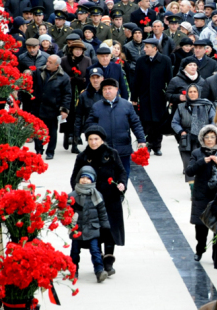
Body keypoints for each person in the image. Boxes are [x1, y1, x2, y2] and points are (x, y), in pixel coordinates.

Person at [70, 125, 127, 277]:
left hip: (110, 198)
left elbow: (121, 172)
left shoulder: (112, 154)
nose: (93, 142)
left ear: (102, 140)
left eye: (96, 139)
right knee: (96, 231)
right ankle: (99, 260)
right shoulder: (82, 157)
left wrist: (122, 184)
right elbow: (74, 178)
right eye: (90, 139)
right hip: (91, 201)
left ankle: (108, 261)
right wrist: (80, 194)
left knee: (110, 229)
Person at [85, 78, 147, 175]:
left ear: (116, 89)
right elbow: (89, 125)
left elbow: (135, 124)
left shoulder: (126, 105)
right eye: (104, 89)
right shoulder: (96, 107)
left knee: (123, 174)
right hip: (104, 149)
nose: (107, 91)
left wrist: (141, 140)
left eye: (110, 88)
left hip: (123, 148)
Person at [187, 125, 217, 262]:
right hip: (201, 194)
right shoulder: (197, 153)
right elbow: (189, 171)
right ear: (202, 138)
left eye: (212, 137)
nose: (210, 140)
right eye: (207, 137)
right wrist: (202, 162)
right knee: (201, 227)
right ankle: (200, 248)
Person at [69, 165, 111, 282]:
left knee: (95, 250)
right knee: (75, 251)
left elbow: (102, 212)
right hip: (77, 228)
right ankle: (73, 271)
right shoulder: (72, 196)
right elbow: (66, 211)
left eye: (88, 178)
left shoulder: (97, 195)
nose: (85, 180)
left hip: (93, 228)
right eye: (83, 177)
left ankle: (99, 271)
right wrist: (68, 221)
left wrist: (105, 225)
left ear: (92, 180)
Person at [132, 38, 172, 156]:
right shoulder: (141, 61)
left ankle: (157, 146)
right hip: (144, 96)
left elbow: (170, 80)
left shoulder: (165, 60)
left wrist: (169, 97)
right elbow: (136, 81)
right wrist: (134, 98)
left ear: (155, 48)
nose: (144, 49)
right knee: (146, 122)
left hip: (159, 97)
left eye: (147, 47)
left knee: (158, 122)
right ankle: (147, 145)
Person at [28, 54, 71, 159]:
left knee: (52, 131)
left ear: (57, 65)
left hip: (53, 108)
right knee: (38, 130)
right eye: (47, 61)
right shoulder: (39, 72)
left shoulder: (63, 77)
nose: (47, 64)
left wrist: (64, 110)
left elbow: (67, 95)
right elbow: (30, 83)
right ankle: (38, 150)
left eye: (50, 63)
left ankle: (50, 151)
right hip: (38, 106)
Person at [172, 83, 216, 178]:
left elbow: (214, 120)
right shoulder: (181, 107)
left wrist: (208, 131)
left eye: (194, 92)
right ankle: (191, 186)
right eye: (190, 92)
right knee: (189, 166)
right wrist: (181, 132)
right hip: (187, 138)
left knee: (204, 164)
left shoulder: (207, 105)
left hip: (204, 137)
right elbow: (174, 122)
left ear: (198, 93)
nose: (192, 94)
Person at [73, 67, 104, 154]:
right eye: (93, 78)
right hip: (90, 129)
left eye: (98, 77)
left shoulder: (107, 93)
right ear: (89, 79)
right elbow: (79, 116)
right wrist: (77, 134)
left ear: (102, 78)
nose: (95, 80)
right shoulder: (84, 95)